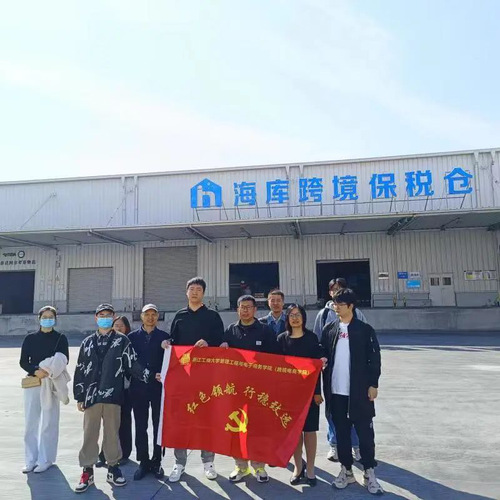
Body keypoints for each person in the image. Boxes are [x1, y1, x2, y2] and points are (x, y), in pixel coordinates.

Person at [73, 304, 149, 494]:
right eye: (101, 315)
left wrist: (150, 375)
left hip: (113, 394)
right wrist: (79, 395)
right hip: (91, 395)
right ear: (96, 318)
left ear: (113, 317)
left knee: (112, 433)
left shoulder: (122, 340)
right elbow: (80, 368)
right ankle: (87, 471)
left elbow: (132, 363)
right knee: (90, 433)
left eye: (108, 315)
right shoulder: (87, 342)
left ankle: (113, 468)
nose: (105, 318)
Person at [322, 288, 384, 495]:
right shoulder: (330, 329)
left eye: (340, 304)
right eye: (334, 303)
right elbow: (322, 354)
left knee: (365, 434)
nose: (336, 307)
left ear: (351, 306)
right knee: (341, 434)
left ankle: (369, 472)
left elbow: (374, 359)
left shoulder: (364, 330)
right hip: (336, 392)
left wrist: (373, 384)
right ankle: (346, 471)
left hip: (359, 392)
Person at [168, 277, 224, 483]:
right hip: (183, 378)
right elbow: (173, 342)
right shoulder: (179, 316)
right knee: (181, 420)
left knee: (206, 419)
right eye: (191, 289)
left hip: (206, 378)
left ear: (203, 293)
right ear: (186, 292)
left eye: (198, 289)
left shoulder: (212, 316)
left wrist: (209, 343)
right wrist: (166, 343)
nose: (194, 292)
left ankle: (208, 463)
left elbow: (221, 342)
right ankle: (179, 463)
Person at [221, 294, 278, 484]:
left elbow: (275, 359)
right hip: (236, 390)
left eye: (248, 307)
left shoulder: (265, 330)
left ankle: (259, 466)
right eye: (242, 307)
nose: (245, 310)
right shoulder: (230, 331)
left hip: (259, 390)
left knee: (258, 429)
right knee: (237, 428)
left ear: (255, 310)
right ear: (237, 309)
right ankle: (241, 466)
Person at [314, 277, 365, 462]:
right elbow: (318, 341)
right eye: (333, 289)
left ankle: (356, 446)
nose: (336, 292)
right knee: (333, 410)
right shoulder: (324, 315)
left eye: (340, 289)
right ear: (329, 293)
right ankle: (334, 444)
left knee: (356, 409)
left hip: (354, 372)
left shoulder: (357, 313)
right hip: (332, 372)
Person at [277, 305, 325, 487]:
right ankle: (298, 467)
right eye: (291, 315)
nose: (295, 318)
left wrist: (317, 392)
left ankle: (310, 468)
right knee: (295, 432)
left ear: (304, 318)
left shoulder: (311, 338)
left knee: (310, 431)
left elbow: (316, 368)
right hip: (289, 394)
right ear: (287, 318)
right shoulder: (281, 339)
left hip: (309, 393)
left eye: (298, 315)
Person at [20, 306, 69, 474]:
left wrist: (47, 371)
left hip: (51, 382)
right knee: (31, 422)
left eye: (50, 317)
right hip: (34, 382)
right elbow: (23, 361)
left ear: (55, 319)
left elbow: (64, 359)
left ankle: (46, 459)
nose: (47, 319)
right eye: (44, 317)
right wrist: (36, 371)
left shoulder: (60, 338)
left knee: (49, 421)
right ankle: (30, 459)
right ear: (39, 319)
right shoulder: (30, 338)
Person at [128, 304, 170, 481]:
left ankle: (157, 461)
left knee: (159, 426)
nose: (150, 317)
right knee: (140, 426)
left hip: (159, 388)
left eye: (154, 314)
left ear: (158, 316)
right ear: (141, 316)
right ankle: (143, 461)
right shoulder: (131, 337)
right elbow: (130, 362)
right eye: (147, 314)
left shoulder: (165, 337)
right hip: (138, 388)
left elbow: (171, 360)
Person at [96, 316, 133, 468]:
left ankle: (124, 453)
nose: (118, 328)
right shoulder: (106, 342)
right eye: (115, 325)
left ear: (126, 328)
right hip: (108, 389)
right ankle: (104, 453)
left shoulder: (128, 342)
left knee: (124, 422)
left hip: (125, 389)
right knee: (109, 423)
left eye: (121, 326)